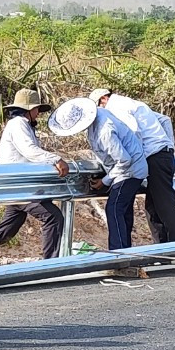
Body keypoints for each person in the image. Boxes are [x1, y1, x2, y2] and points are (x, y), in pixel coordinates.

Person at [0, 88, 70, 260]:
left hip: (16, 185)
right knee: (53, 217)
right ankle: (51, 263)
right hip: (21, 186)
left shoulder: (22, 125)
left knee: (10, 225)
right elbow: (29, 151)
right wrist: (56, 159)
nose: (38, 113)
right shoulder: (19, 125)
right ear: (29, 110)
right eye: (37, 109)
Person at [88, 87, 175, 243]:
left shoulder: (115, 107)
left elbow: (133, 132)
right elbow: (165, 120)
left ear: (102, 99)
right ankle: (165, 251)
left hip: (153, 156)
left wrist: (138, 159)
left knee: (164, 205)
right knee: (154, 206)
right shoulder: (132, 103)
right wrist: (168, 147)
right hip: (162, 154)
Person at [49, 97, 148, 250]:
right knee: (123, 210)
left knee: (114, 209)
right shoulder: (100, 115)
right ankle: (126, 251)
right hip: (129, 168)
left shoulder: (104, 131)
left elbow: (124, 160)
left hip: (130, 171)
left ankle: (119, 252)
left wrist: (105, 180)